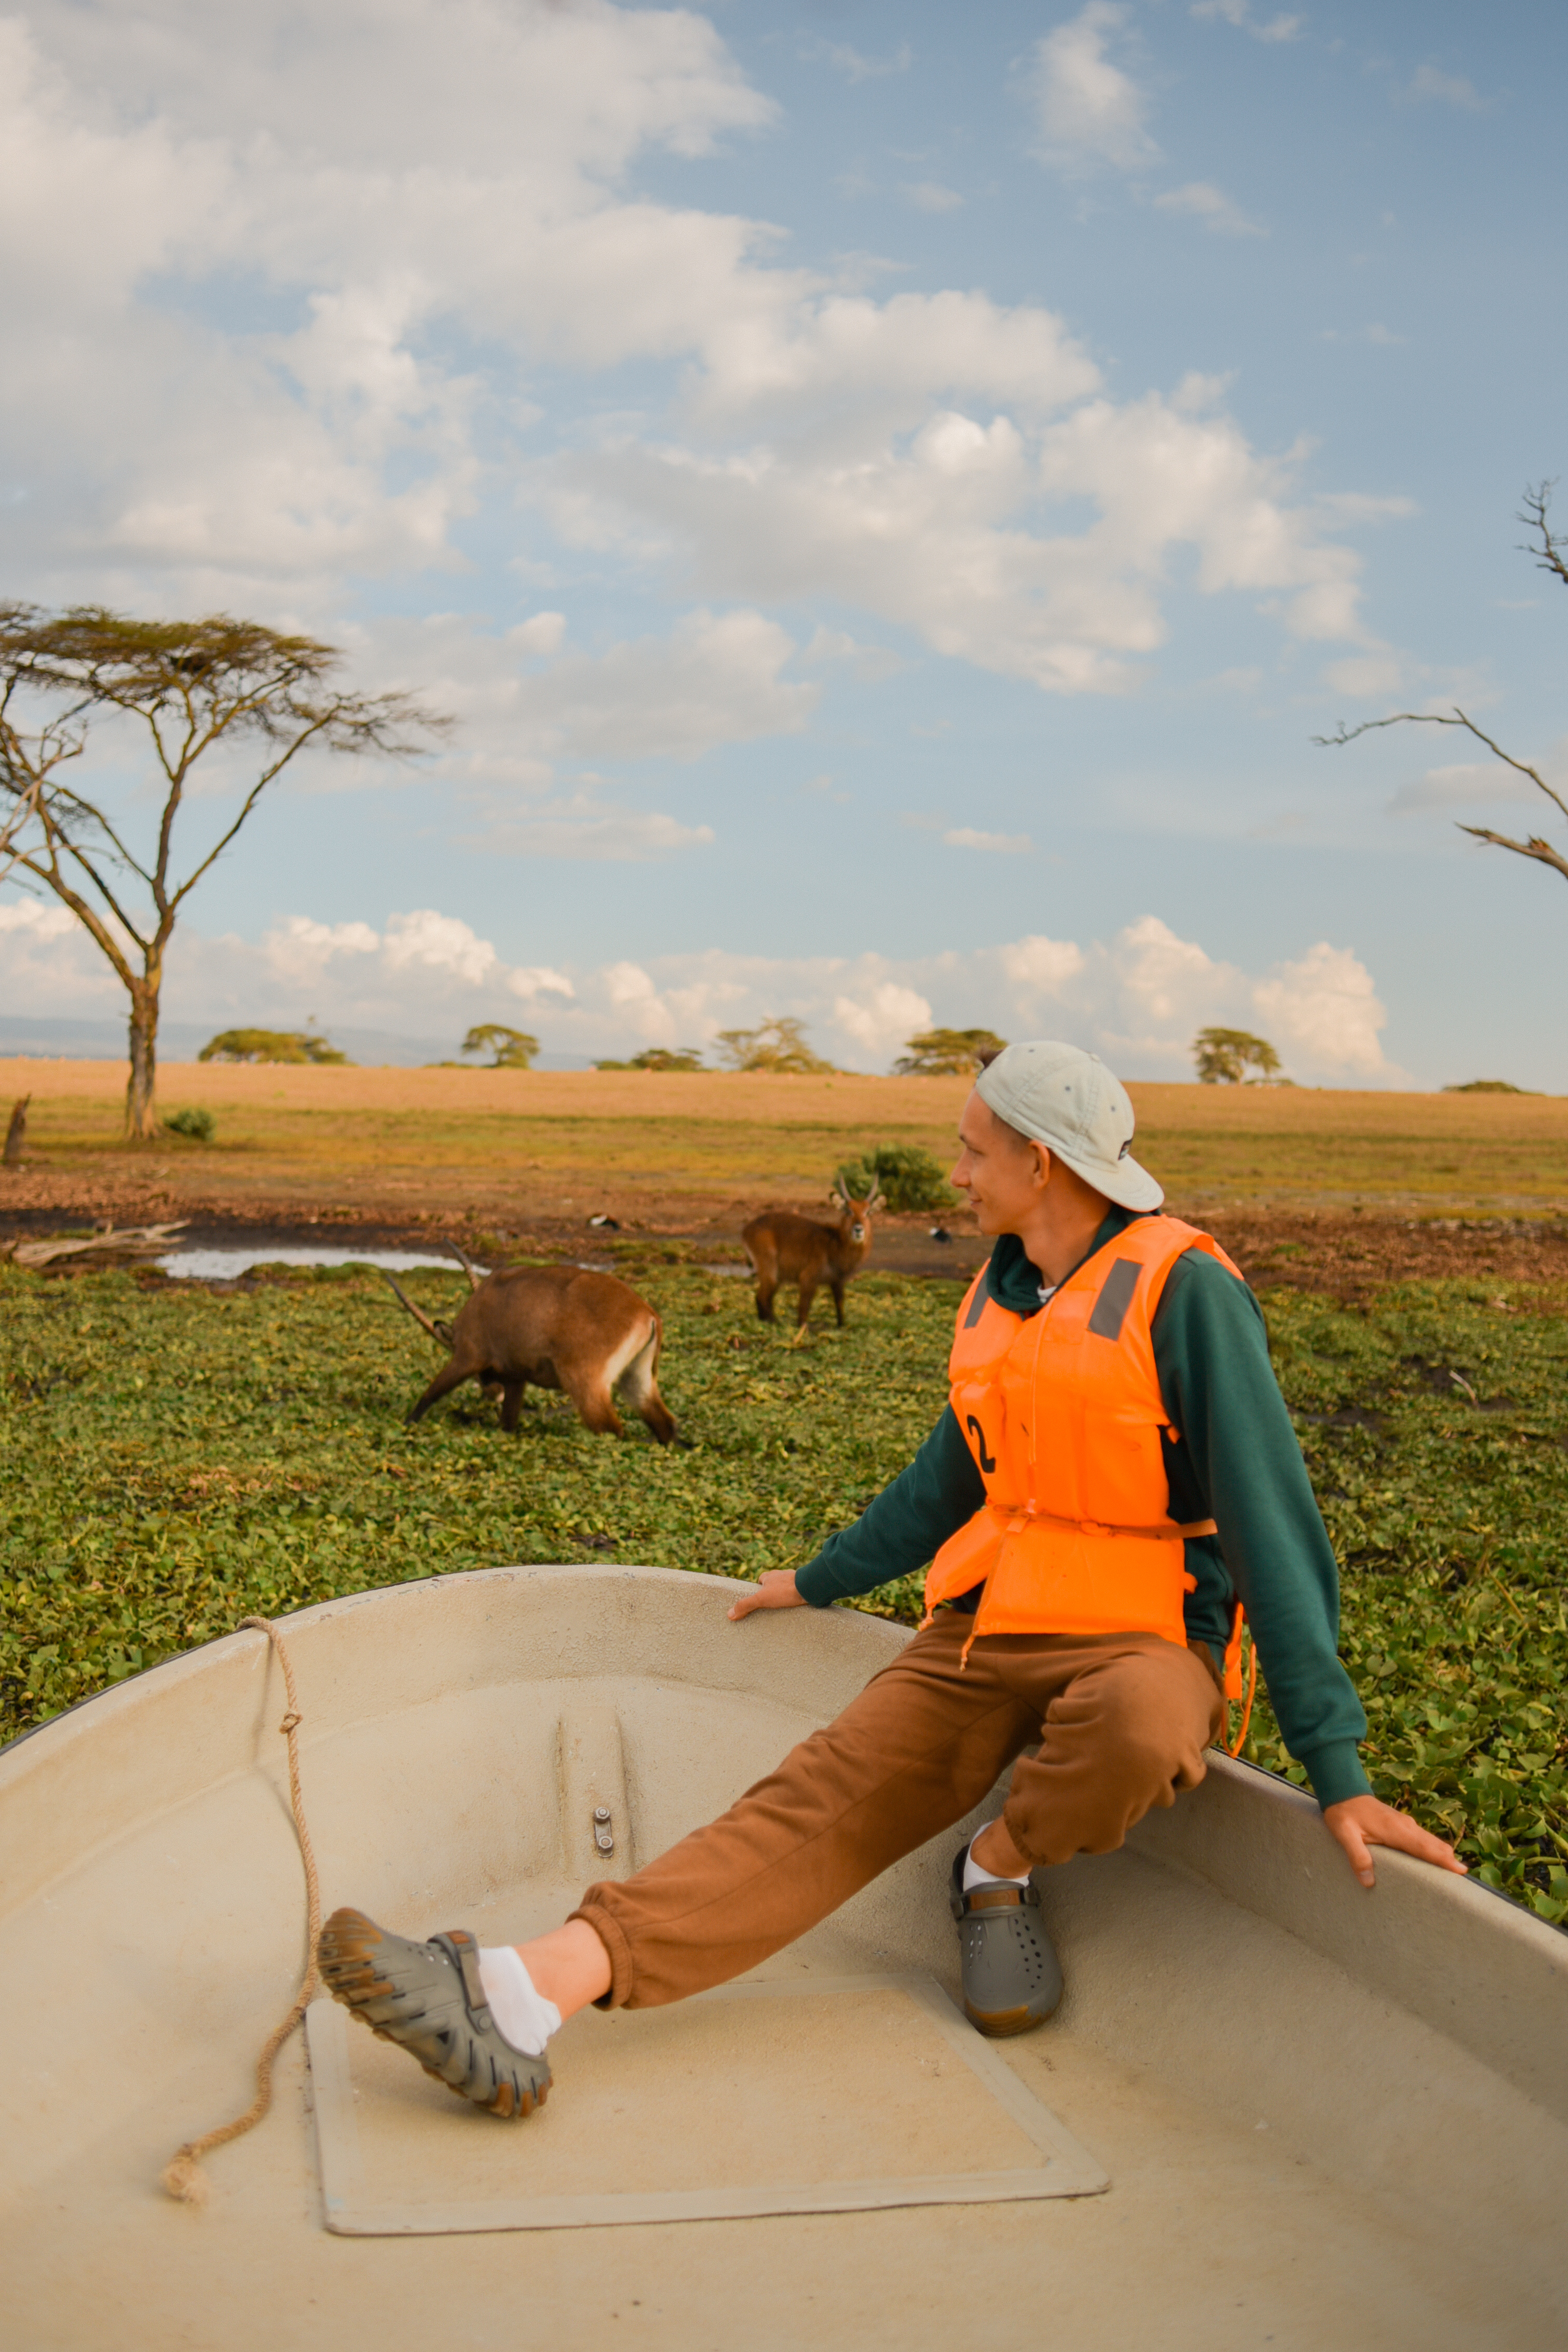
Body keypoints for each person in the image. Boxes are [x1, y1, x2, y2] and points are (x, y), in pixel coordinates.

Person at [318, 1040, 1465, 2121]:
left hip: (1142, 1637)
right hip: (984, 1631)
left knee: (1141, 1722)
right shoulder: (999, 1292)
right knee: (813, 1799)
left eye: (972, 1151)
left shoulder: (1184, 1291)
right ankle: (520, 1992)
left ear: (1041, 1162)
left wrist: (1338, 1768)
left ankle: (992, 1867)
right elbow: (946, 1482)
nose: (954, 1175)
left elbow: (1272, 1520)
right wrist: (817, 1579)